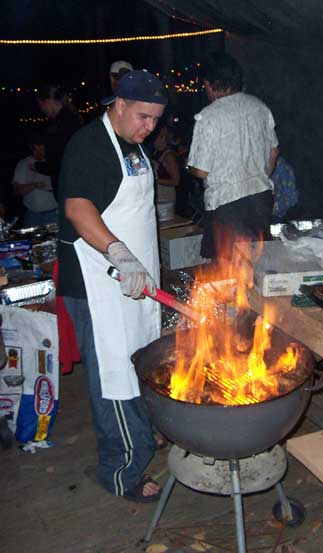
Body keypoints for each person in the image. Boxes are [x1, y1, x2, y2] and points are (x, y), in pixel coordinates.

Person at [57, 69, 167, 501]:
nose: (150, 127)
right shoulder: (89, 145)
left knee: (141, 360)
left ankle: (139, 432)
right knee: (116, 374)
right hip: (99, 282)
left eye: (156, 120)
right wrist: (120, 254)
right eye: (143, 117)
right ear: (118, 105)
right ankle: (121, 470)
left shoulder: (133, 145)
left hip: (136, 281)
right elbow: (79, 209)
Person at [187, 52, 279, 261]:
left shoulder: (208, 116)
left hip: (227, 204)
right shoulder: (260, 107)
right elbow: (274, 152)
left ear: (210, 84)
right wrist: (258, 176)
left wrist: (188, 167)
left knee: (227, 268)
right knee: (257, 264)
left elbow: (200, 171)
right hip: (261, 199)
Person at [36, 84, 82, 199]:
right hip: (77, 186)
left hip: (70, 189)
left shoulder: (59, 126)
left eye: (41, 105)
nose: (41, 109)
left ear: (48, 101)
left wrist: (37, 166)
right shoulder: (72, 118)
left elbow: (59, 162)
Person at [12, 132, 58, 227]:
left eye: (41, 149)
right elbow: (17, 191)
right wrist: (35, 185)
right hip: (32, 216)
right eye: (35, 149)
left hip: (54, 214)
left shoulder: (54, 163)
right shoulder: (24, 164)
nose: (39, 153)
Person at [152, 125, 180, 205]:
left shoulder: (168, 156)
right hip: (158, 196)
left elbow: (176, 181)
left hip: (165, 197)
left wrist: (154, 180)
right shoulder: (155, 153)